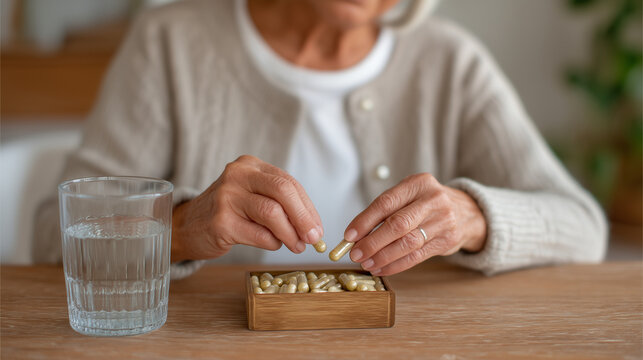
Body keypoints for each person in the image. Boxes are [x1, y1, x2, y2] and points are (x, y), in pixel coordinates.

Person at [34, 0, 607, 279]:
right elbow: (52, 239)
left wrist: (472, 216)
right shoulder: (170, 43)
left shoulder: (450, 62)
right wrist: (180, 227)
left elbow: (584, 227)